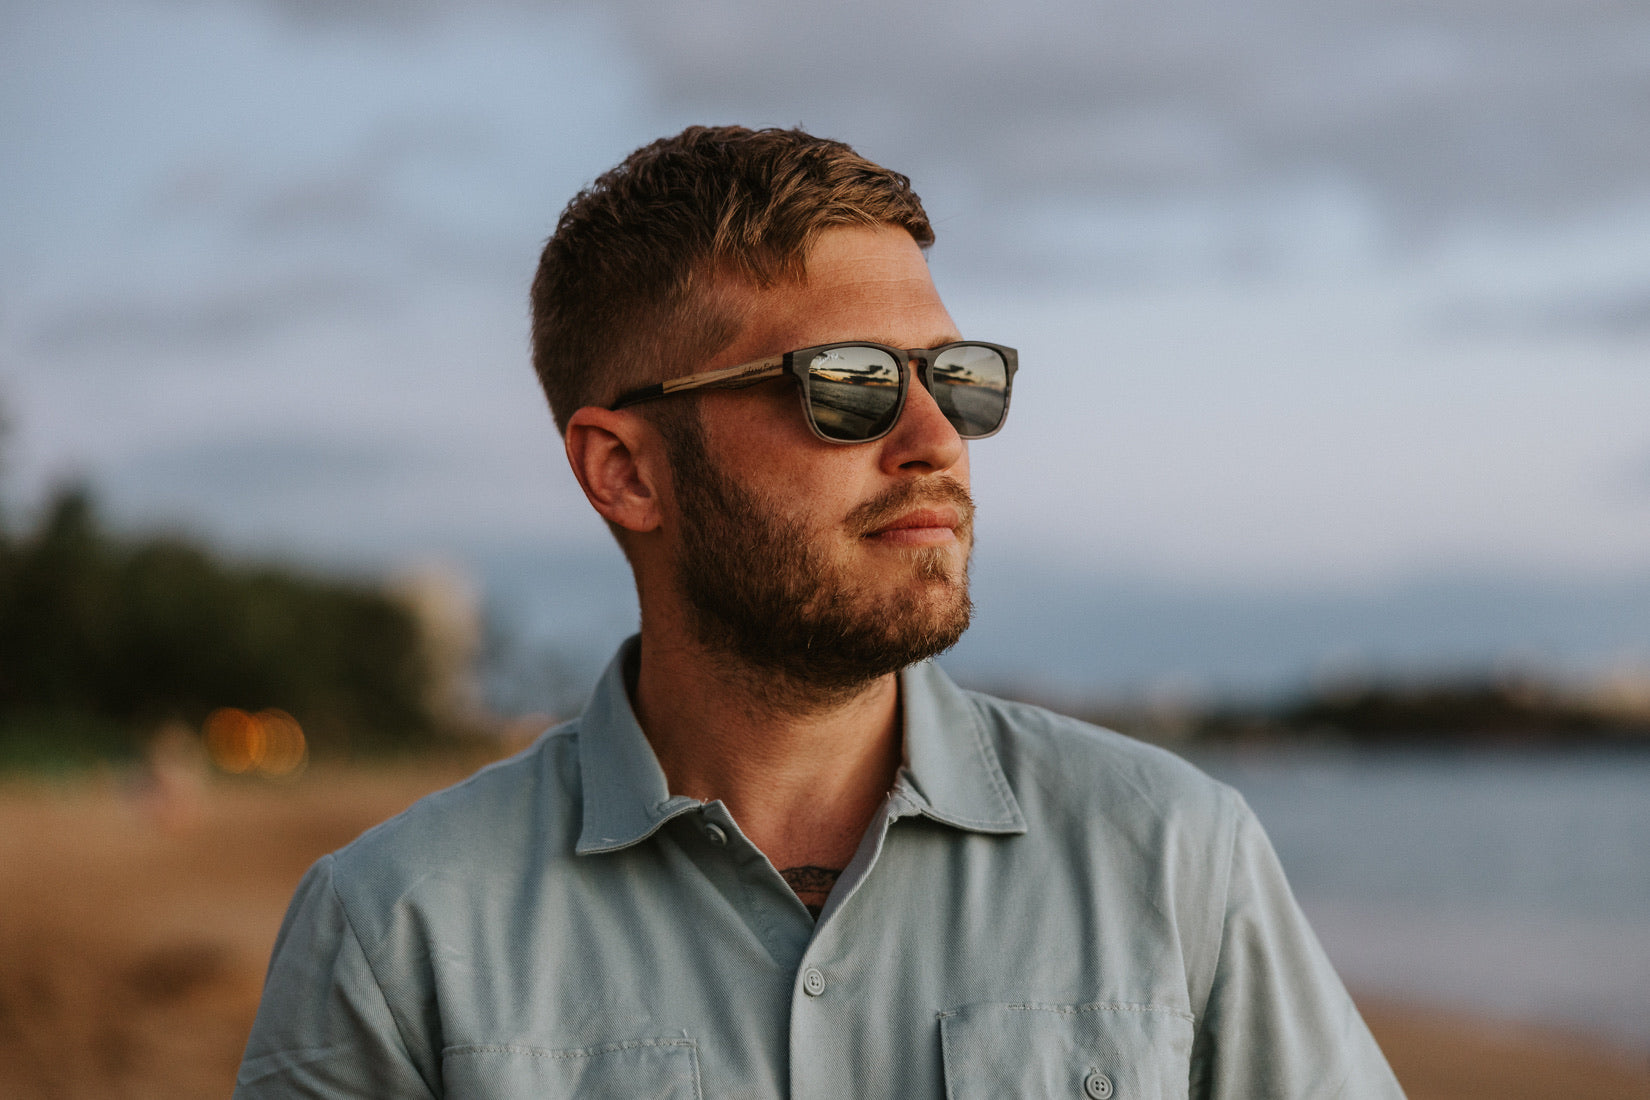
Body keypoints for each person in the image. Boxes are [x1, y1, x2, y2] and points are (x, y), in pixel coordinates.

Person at [236, 125, 1403, 1098]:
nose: (936, 439)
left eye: (959, 377)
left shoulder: (1173, 857)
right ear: (626, 471)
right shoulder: (396, 932)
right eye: (850, 384)